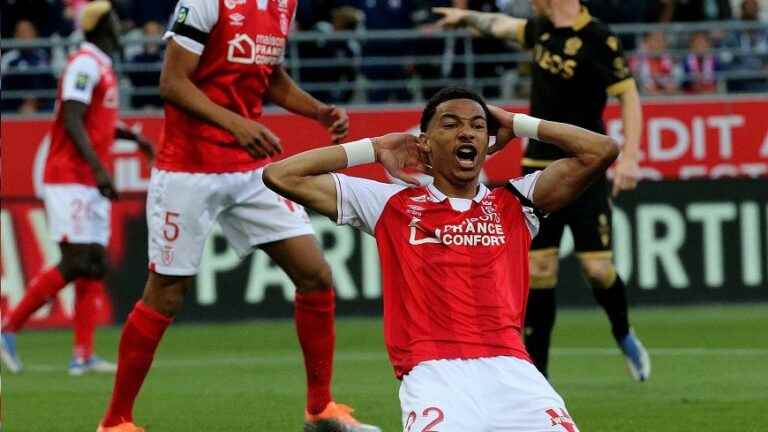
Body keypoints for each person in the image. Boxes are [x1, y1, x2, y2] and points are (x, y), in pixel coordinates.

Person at [263, 86, 620, 432]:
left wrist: (517, 122)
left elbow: (600, 150)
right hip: (435, 377)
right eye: (450, 124)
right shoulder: (390, 204)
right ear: (425, 143)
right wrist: (375, 147)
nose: (466, 133)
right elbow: (280, 175)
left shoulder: (517, 203)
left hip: (516, 374)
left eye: (477, 126)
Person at [95, 1, 379, 431]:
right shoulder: (205, 3)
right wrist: (237, 125)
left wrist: (317, 110)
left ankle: (320, 411)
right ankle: (115, 421)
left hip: (248, 172)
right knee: (165, 294)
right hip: (188, 171)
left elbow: (270, 77)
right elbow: (172, 83)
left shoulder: (284, 4)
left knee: (315, 273)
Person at [433, 0, 651, 381]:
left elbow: (628, 95)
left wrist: (630, 157)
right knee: (540, 269)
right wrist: (465, 16)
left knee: (597, 269)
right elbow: (501, 25)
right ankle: (539, 378)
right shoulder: (539, 29)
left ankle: (623, 332)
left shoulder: (599, 37)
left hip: (585, 166)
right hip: (538, 167)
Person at [0, 1, 154, 376]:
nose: (120, 28)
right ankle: (7, 329)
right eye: (115, 22)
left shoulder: (101, 65)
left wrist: (130, 139)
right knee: (77, 261)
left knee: (94, 265)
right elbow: (71, 116)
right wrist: (101, 169)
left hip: (87, 180)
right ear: (101, 25)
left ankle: (82, 355)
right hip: (69, 176)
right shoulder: (84, 63)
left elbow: (96, 119)